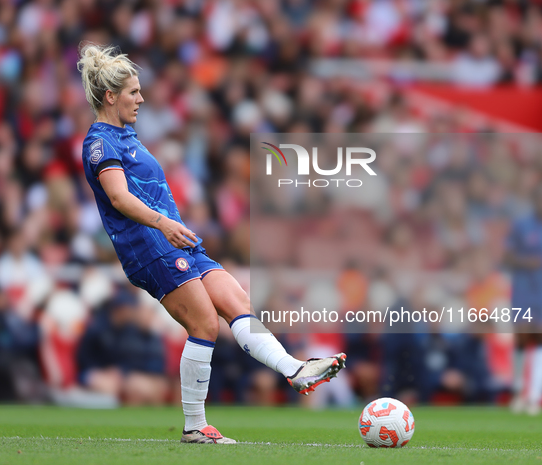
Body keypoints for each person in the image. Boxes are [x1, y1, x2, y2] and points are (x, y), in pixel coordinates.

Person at [77, 43, 346, 444]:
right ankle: (194, 425)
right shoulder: (100, 143)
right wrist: (163, 223)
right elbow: (119, 198)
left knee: (237, 300)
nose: (142, 98)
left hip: (177, 240)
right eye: (134, 92)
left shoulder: (127, 136)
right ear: (111, 96)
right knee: (204, 324)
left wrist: (172, 226)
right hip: (148, 246)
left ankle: (295, 370)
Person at [506, 184, 542, 416]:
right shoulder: (522, 226)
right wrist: (526, 262)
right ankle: (518, 390)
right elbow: (507, 255)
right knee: (522, 339)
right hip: (523, 290)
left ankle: (534, 397)